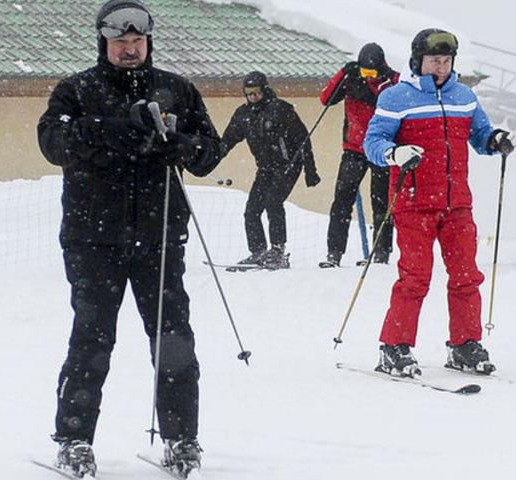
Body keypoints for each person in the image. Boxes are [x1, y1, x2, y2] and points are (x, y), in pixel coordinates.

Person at [36, 0, 223, 476]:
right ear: (104, 42)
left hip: (159, 239)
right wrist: (120, 128)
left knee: (173, 341)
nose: (129, 49)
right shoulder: (77, 90)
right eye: (120, 41)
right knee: (92, 340)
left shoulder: (177, 90)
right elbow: (54, 143)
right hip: (92, 239)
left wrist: (182, 145)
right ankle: (74, 439)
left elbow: (210, 152)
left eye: (137, 41)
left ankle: (181, 439)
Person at [363, 28, 516, 378]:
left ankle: (465, 344)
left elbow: (480, 136)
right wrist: (395, 153)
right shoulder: (395, 98)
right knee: (415, 278)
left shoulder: (464, 96)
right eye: (434, 60)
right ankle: (394, 347)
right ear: (418, 61)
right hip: (413, 202)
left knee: (466, 276)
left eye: (446, 61)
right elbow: (373, 142)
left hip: (457, 203)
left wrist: (496, 140)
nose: (441, 67)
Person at [221, 71, 321, 269]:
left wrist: (310, 170)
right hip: (265, 168)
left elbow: (302, 139)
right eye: (249, 93)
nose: (253, 97)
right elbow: (227, 141)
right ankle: (258, 252)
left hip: (288, 165)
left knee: (273, 202)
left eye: (257, 92)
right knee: (252, 210)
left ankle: (277, 250)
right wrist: (209, 157)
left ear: (265, 90)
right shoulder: (243, 115)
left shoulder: (280, 109)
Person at [319, 43, 400, 268]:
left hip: (382, 151)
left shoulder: (393, 81)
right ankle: (334, 253)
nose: (367, 77)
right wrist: (343, 73)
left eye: (371, 73)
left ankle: (380, 254)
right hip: (353, 150)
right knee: (341, 201)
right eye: (364, 72)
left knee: (382, 204)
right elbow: (326, 99)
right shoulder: (351, 78)